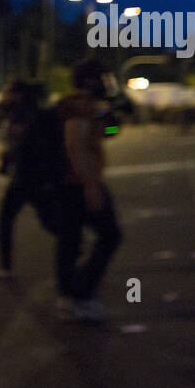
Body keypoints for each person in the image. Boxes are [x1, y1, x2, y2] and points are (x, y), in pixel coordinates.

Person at [55, 58, 123, 322]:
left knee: (70, 240)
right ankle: (81, 294)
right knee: (110, 235)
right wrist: (91, 185)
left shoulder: (87, 107)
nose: (105, 83)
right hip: (79, 182)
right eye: (101, 78)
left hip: (73, 182)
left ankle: (67, 296)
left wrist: (116, 119)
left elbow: (107, 133)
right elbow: (75, 146)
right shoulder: (78, 107)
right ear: (90, 80)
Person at [0, 80, 61, 279]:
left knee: (49, 221)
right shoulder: (16, 114)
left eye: (9, 92)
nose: (5, 96)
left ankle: (73, 241)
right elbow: (0, 134)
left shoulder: (37, 115)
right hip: (22, 178)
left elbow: (42, 144)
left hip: (35, 178)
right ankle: (5, 268)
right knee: (7, 219)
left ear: (20, 94)